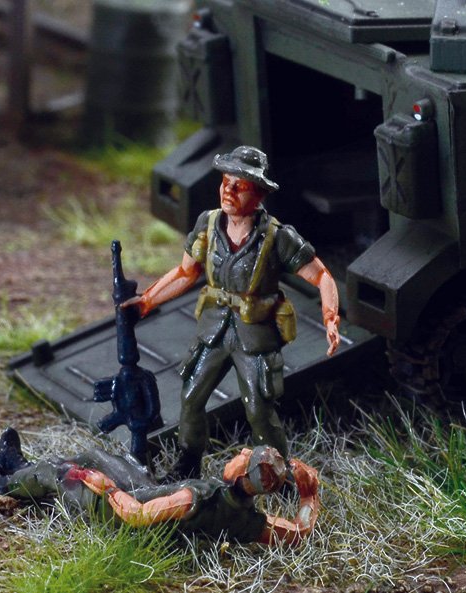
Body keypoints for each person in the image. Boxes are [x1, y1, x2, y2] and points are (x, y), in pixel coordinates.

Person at [123, 145, 340, 479]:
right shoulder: (208, 224)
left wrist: (330, 318)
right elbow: (185, 272)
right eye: (225, 182)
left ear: (259, 194)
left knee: (258, 410)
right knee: (191, 397)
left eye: (240, 186)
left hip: (255, 336)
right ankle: (187, 465)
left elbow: (322, 276)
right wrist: (147, 301)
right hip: (213, 330)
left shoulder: (278, 237)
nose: (228, 190)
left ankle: (276, 475)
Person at [0, 428, 320, 544]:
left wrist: (105, 488)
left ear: (243, 475)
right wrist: (308, 494)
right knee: (97, 454)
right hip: (148, 497)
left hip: (123, 516)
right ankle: (18, 469)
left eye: (244, 456)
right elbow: (300, 532)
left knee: (61, 471)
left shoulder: (196, 497)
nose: (240, 453)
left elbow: (137, 515)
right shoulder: (247, 519)